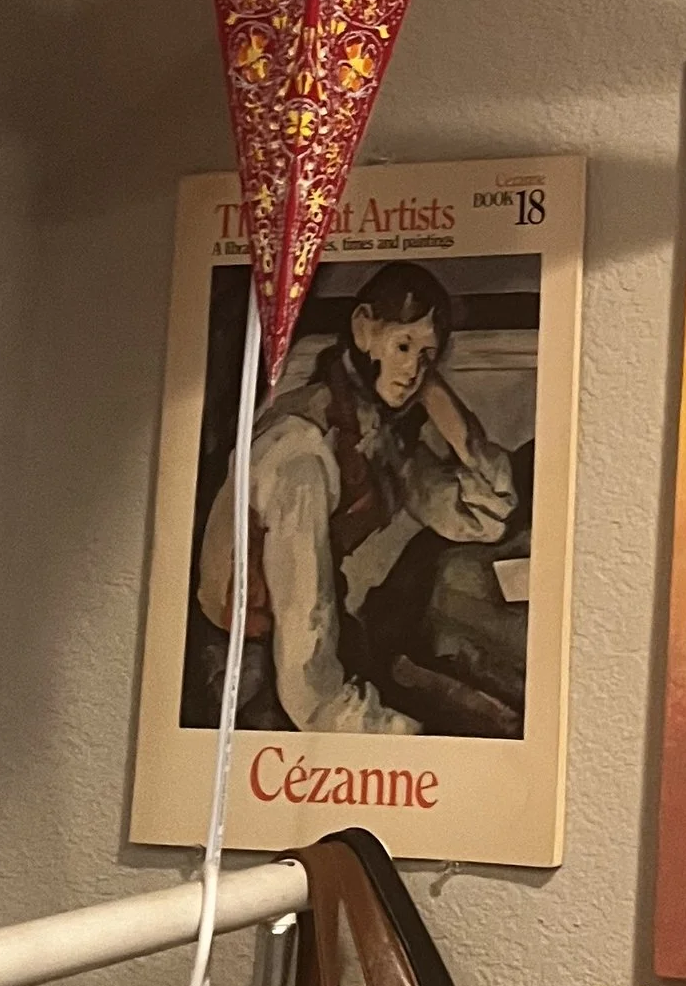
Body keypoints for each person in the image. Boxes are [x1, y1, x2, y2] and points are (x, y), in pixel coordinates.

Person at [194, 261, 517, 736]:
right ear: (364, 329)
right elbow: (309, 686)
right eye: (403, 346)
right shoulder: (299, 452)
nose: (412, 369)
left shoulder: (375, 430)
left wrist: (449, 415)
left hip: (315, 645)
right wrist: (405, 737)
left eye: (428, 356)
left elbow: (485, 516)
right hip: (246, 676)